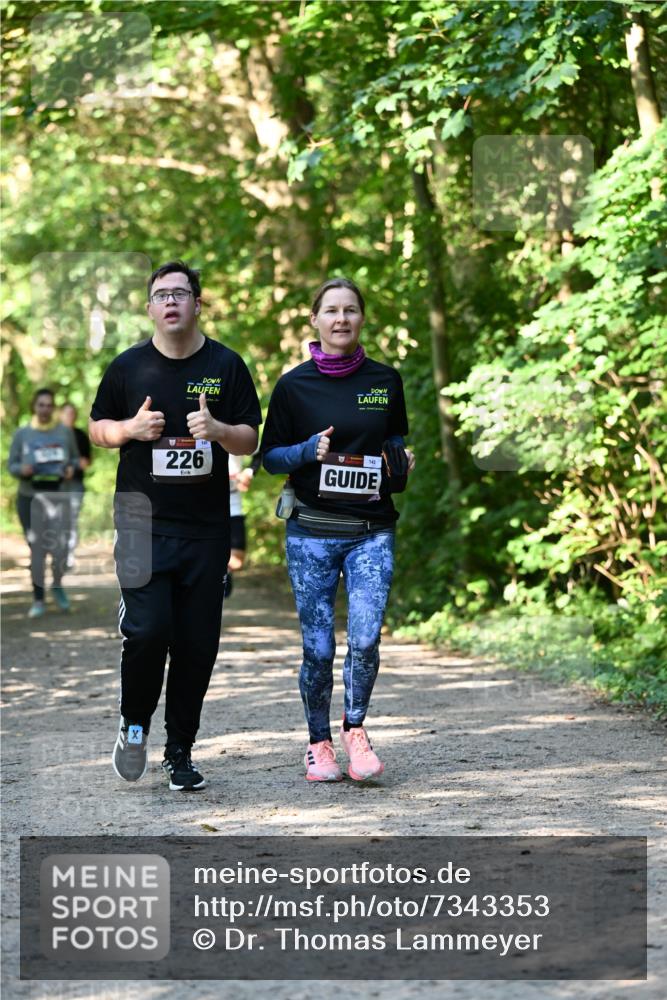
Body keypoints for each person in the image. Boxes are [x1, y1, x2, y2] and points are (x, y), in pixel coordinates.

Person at [89, 260, 261, 791]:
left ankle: (180, 749)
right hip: (141, 522)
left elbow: (250, 438)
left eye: (181, 293)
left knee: (196, 643)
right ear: (149, 308)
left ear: (197, 304)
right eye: (161, 295)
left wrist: (218, 430)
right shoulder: (127, 368)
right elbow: (96, 429)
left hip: (205, 528)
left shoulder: (227, 366)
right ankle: (134, 723)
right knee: (148, 630)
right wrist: (130, 428)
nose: (171, 302)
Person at [261, 277, 414, 783]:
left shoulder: (386, 380)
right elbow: (269, 457)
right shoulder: (292, 386)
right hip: (311, 531)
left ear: (362, 318)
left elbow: (394, 443)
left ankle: (354, 729)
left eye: (350, 310)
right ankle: (318, 743)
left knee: (366, 639)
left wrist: (400, 462)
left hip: (372, 530)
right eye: (331, 310)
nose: (341, 319)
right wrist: (307, 451)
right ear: (315, 320)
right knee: (319, 649)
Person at [8, 388, 79, 618]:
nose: (45, 409)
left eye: (49, 405)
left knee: (59, 548)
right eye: (41, 405)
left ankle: (57, 586)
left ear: (54, 408)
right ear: (34, 407)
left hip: (58, 497)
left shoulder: (64, 432)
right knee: (37, 549)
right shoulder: (23, 434)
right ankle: (38, 599)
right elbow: (12, 465)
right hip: (30, 498)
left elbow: (76, 459)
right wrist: (22, 470)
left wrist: (70, 468)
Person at [59, 401, 92, 569]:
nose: (70, 416)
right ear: (60, 414)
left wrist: (72, 466)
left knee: (71, 521)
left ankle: (68, 558)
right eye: (67, 413)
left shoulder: (80, 436)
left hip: (75, 485)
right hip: (54, 486)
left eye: (72, 413)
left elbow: (86, 462)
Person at [224, 451, 261, 598]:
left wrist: (250, 471)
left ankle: (223, 573)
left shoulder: (236, 427)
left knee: (237, 561)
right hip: (200, 505)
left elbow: (261, 451)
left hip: (232, 502)